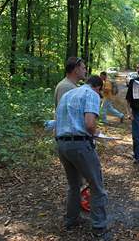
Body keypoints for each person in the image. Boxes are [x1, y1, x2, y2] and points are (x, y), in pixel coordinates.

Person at [55, 76, 109, 238]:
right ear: (98, 87)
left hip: (62, 144)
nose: (99, 94)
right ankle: (99, 227)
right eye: (100, 91)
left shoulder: (68, 94)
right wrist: (97, 134)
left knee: (74, 185)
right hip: (79, 145)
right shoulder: (91, 94)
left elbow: (57, 121)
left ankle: (71, 219)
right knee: (96, 185)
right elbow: (90, 124)